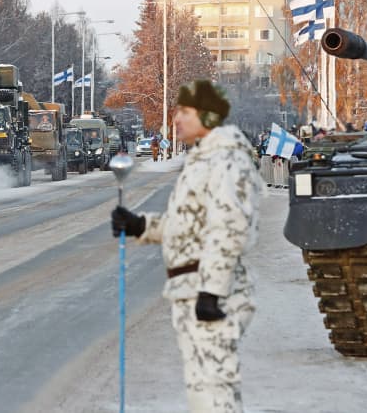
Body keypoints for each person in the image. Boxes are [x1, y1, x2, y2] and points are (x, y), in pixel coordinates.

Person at [110, 79, 264, 412]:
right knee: (202, 391)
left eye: (185, 111)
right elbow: (187, 226)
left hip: (210, 292)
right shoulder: (202, 160)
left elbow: (229, 227)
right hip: (189, 288)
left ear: (208, 117)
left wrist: (212, 291)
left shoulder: (225, 159)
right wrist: (141, 225)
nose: (176, 119)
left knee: (214, 390)